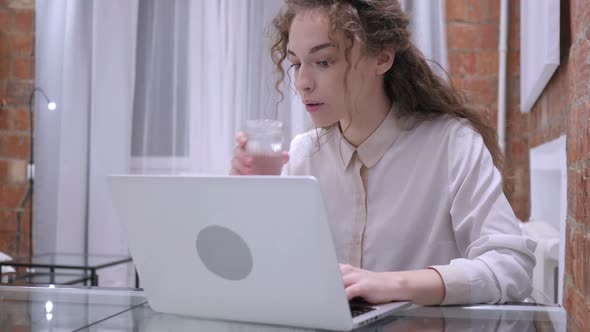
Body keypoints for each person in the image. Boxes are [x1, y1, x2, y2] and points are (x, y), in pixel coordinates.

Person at [231, 0, 536, 306]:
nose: (303, 83)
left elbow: (512, 265)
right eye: (297, 63)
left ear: (382, 58)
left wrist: (394, 283)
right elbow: (263, 273)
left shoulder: (451, 144)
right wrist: (252, 199)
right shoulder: (302, 156)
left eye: (323, 61)